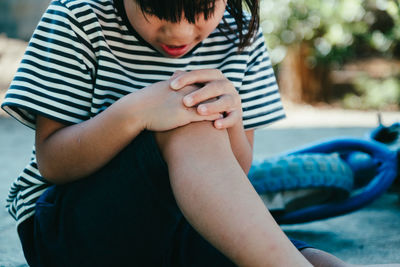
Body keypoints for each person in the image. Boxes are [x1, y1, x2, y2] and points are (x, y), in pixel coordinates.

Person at [1, 0, 399, 266]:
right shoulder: (77, 17)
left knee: (317, 260)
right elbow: (53, 162)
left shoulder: (239, 31)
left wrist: (233, 117)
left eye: (201, 12)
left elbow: (234, 174)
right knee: (188, 122)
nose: (180, 33)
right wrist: (135, 113)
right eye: (158, 11)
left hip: (179, 224)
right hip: (68, 229)